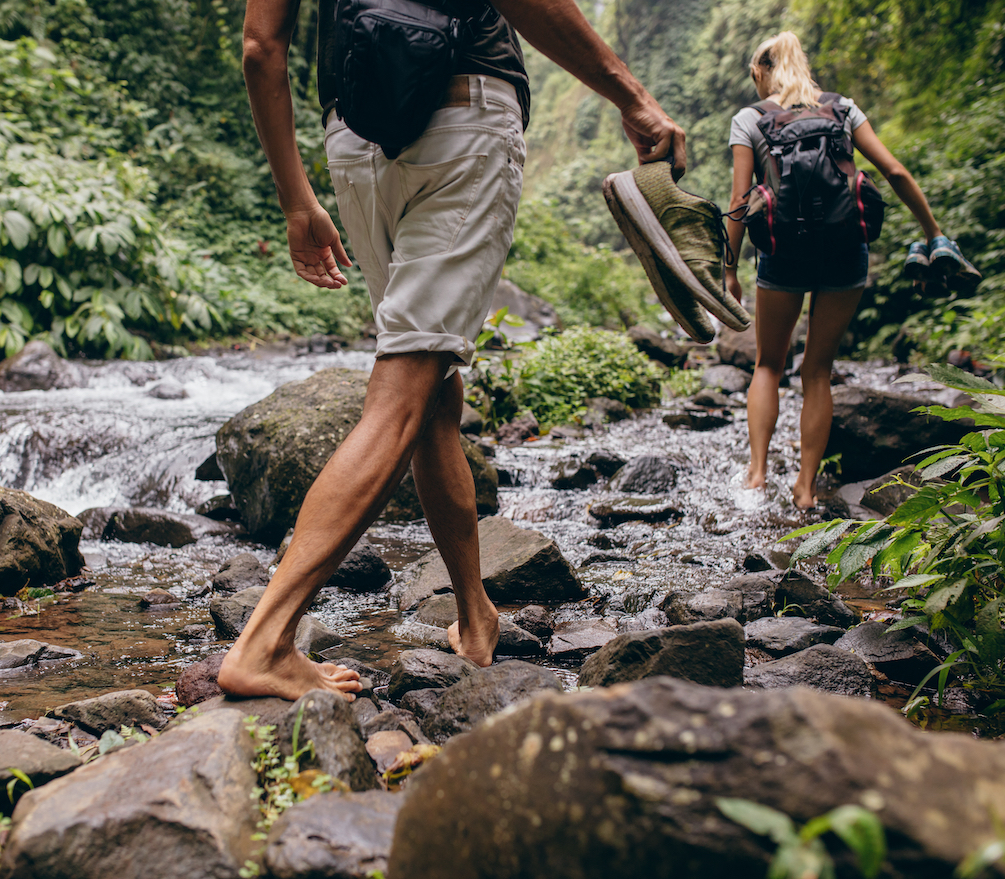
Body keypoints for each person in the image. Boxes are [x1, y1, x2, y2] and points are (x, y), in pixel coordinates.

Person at [217, 0, 686, 702]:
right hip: (461, 111)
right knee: (404, 391)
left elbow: (261, 46)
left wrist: (295, 199)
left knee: (433, 392)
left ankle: (474, 613)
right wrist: (633, 98)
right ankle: (265, 640)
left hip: (356, 132)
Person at [726, 31, 947, 510]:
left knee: (767, 364)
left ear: (762, 72)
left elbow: (740, 203)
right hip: (846, 252)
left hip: (783, 254)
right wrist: (934, 233)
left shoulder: (751, 118)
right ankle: (805, 489)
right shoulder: (843, 109)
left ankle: (757, 475)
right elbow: (896, 172)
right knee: (818, 372)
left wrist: (729, 271)